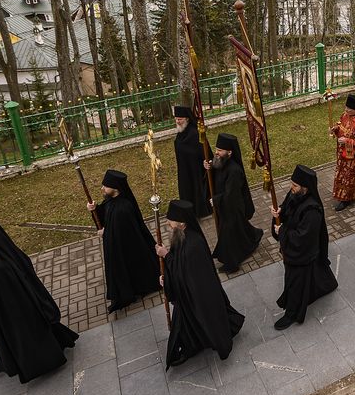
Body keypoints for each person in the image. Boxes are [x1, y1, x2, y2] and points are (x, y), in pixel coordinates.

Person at [0, 218, 78, 381]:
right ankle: (6, 361)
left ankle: (19, 363)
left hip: (18, 319)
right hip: (24, 313)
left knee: (25, 345)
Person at [158, 199, 244, 366]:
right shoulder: (182, 235)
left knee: (203, 319)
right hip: (191, 293)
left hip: (198, 295)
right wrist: (167, 274)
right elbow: (180, 265)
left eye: (171, 220)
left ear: (182, 223)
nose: (168, 223)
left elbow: (184, 273)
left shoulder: (193, 245)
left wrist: (166, 257)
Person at [270, 165, 339, 329]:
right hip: (297, 249)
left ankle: (292, 314)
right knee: (313, 275)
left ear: (305, 188)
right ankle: (326, 285)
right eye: (291, 183)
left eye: (295, 185)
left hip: (303, 253)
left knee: (295, 283)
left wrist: (282, 231)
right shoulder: (295, 194)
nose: (291, 187)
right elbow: (286, 207)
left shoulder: (312, 210)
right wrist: (279, 212)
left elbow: (303, 237)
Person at [88, 170, 160, 313]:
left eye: (105, 186)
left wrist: (105, 232)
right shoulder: (111, 200)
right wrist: (95, 210)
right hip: (122, 247)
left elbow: (120, 233)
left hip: (128, 248)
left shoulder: (124, 207)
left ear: (115, 188)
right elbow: (106, 215)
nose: (102, 188)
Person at [204, 133, 263, 273]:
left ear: (229, 152)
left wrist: (216, 200)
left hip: (232, 207)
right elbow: (213, 177)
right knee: (239, 230)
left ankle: (232, 264)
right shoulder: (220, 162)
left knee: (228, 234)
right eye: (216, 149)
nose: (216, 153)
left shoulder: (234, 170)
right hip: (224, 205)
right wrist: (208, 168)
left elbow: (231, 194)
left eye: (220, 150)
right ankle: (254, 237)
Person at [329, 94, 355, 211]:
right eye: (346, 107)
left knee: (349, 175)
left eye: (349, 108)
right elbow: (340, 125)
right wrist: (335, 129)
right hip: (342, 151)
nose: (346, 110)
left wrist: (347, 141)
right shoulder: (344, 115)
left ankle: (346, 198)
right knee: (342, 172)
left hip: (354, 154)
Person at [173, 105, 211, 220]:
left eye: (180, 119)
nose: (177, 121)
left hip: (195, 170)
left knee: (196, 190)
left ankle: (199, 212)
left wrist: (205, 162)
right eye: (176, 119)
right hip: (184, 170)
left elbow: (205, 151)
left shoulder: (195, 133)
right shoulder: (181, 132)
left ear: (187, 119)